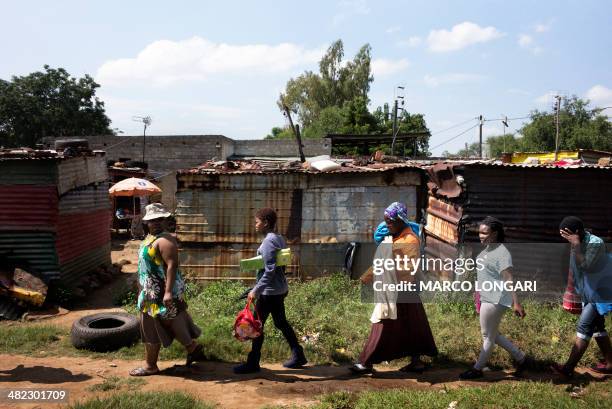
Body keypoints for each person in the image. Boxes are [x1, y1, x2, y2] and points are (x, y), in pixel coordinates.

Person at [351, 202, 437, 375]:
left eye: (390, 221)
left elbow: (407, 267)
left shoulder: (409, 240)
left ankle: (366, 362)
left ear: (400, 220)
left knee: (382, 323)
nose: (387, 225)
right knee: (412, 324)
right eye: (386, 221)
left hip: (401, 289)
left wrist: (374, 277)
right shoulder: (395, 238)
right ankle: (416, 361)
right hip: (400, 289)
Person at [130, 203, 204, 376]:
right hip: (151, 292)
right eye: (152, 220)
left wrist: (168, 292)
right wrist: (140, 287)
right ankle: (193, 348)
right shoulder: (149, 239)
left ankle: (150, 366)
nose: (156, 223)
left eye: (159, 219)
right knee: (172, 321)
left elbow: (172, 266)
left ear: (164, 221)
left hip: (161, 292)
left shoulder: (164, 240)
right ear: (146, 222)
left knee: (152, 326)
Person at [234, 207, 307, 374]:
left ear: (266, 223)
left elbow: (270, 270)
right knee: (280, 322)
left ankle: (253, 362)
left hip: (269, 292)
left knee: (256, 325)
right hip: (279, 289)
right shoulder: (278, 238)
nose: (255, 225)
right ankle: (298, 354)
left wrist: (256, 290)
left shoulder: (268, 242)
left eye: (257, 222)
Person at [459, 216, 527, 379]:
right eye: (480, 232)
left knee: (487, 336)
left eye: (485, 233)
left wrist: (516, 303)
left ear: (495, 234)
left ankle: (477, 369)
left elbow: (509, 279)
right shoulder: (487, 250)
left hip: (496, 298)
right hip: (485, 296)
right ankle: (521, 358)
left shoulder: (502, 253)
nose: (481, 236)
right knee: (493, 334)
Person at [551, 216, 612, 378]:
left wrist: (577, 245)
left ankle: (568, 369)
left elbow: (586, 266)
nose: (564, 238)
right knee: (598, 327)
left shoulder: (595, 243)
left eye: (566, 234)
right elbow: (577, 273)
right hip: (590, 292)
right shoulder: (575, 244)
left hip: (600, 291)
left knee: (584, 326)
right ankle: (610, 363)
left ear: (576, 232)